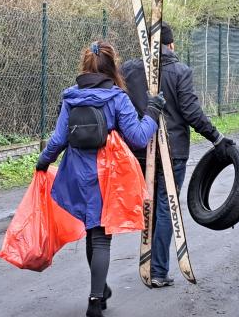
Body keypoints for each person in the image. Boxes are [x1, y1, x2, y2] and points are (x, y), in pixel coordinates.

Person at [35, 41, 165, 317]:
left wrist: (43, 162)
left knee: (92, 233)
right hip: (107, 176)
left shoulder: (70, 97)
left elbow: (58, 139)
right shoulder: (117, 98)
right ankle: (95, 301)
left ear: (85, 67)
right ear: (112, 68)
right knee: (102, 237)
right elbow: (139, 137)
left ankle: (100, 288)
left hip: (77, 175)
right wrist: (153, 110)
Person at [121, 22, 235, 288]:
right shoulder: (180, 71)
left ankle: (148, 263)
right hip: (173, 153)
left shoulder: (128, 70)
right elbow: (191, 112)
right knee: (164, 207)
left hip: (139, 149)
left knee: (147, 205)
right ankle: (159, 271)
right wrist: (216, 138)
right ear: (171, 45)